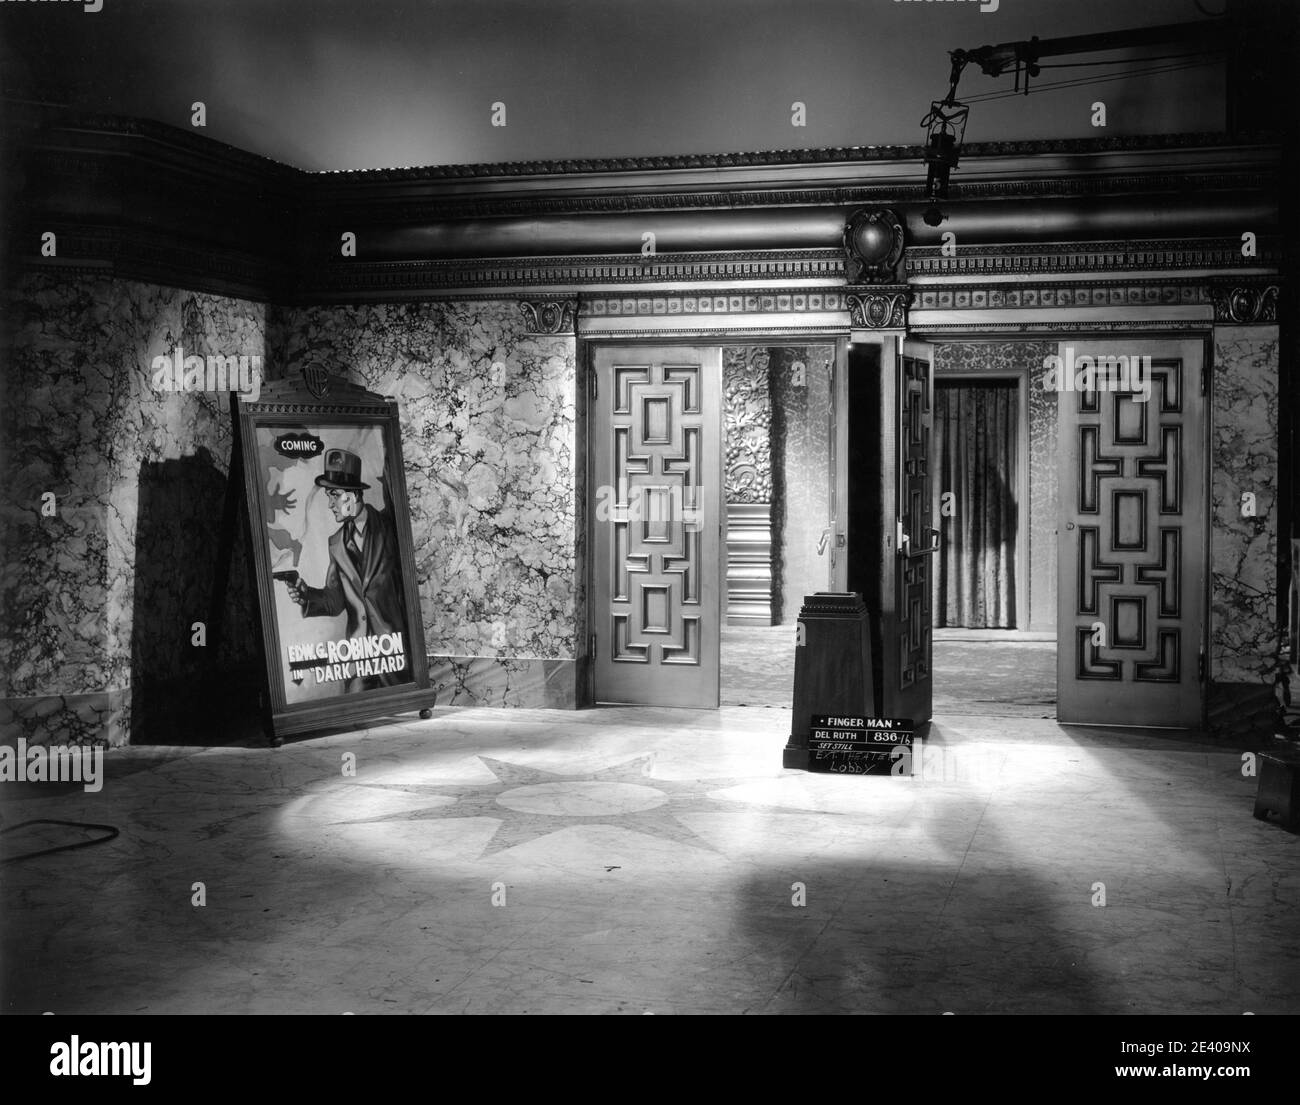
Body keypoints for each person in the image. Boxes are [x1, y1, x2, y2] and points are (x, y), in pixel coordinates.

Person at [290, 448, 411, 690]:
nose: (330, 504)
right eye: (328, 496)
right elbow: (334, 601)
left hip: (395, 654)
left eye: (335, 495)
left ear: (354, 495)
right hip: (358, 659)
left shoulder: (388, 525)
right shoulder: (335, 544)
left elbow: (393, 477)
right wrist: (306, 596)